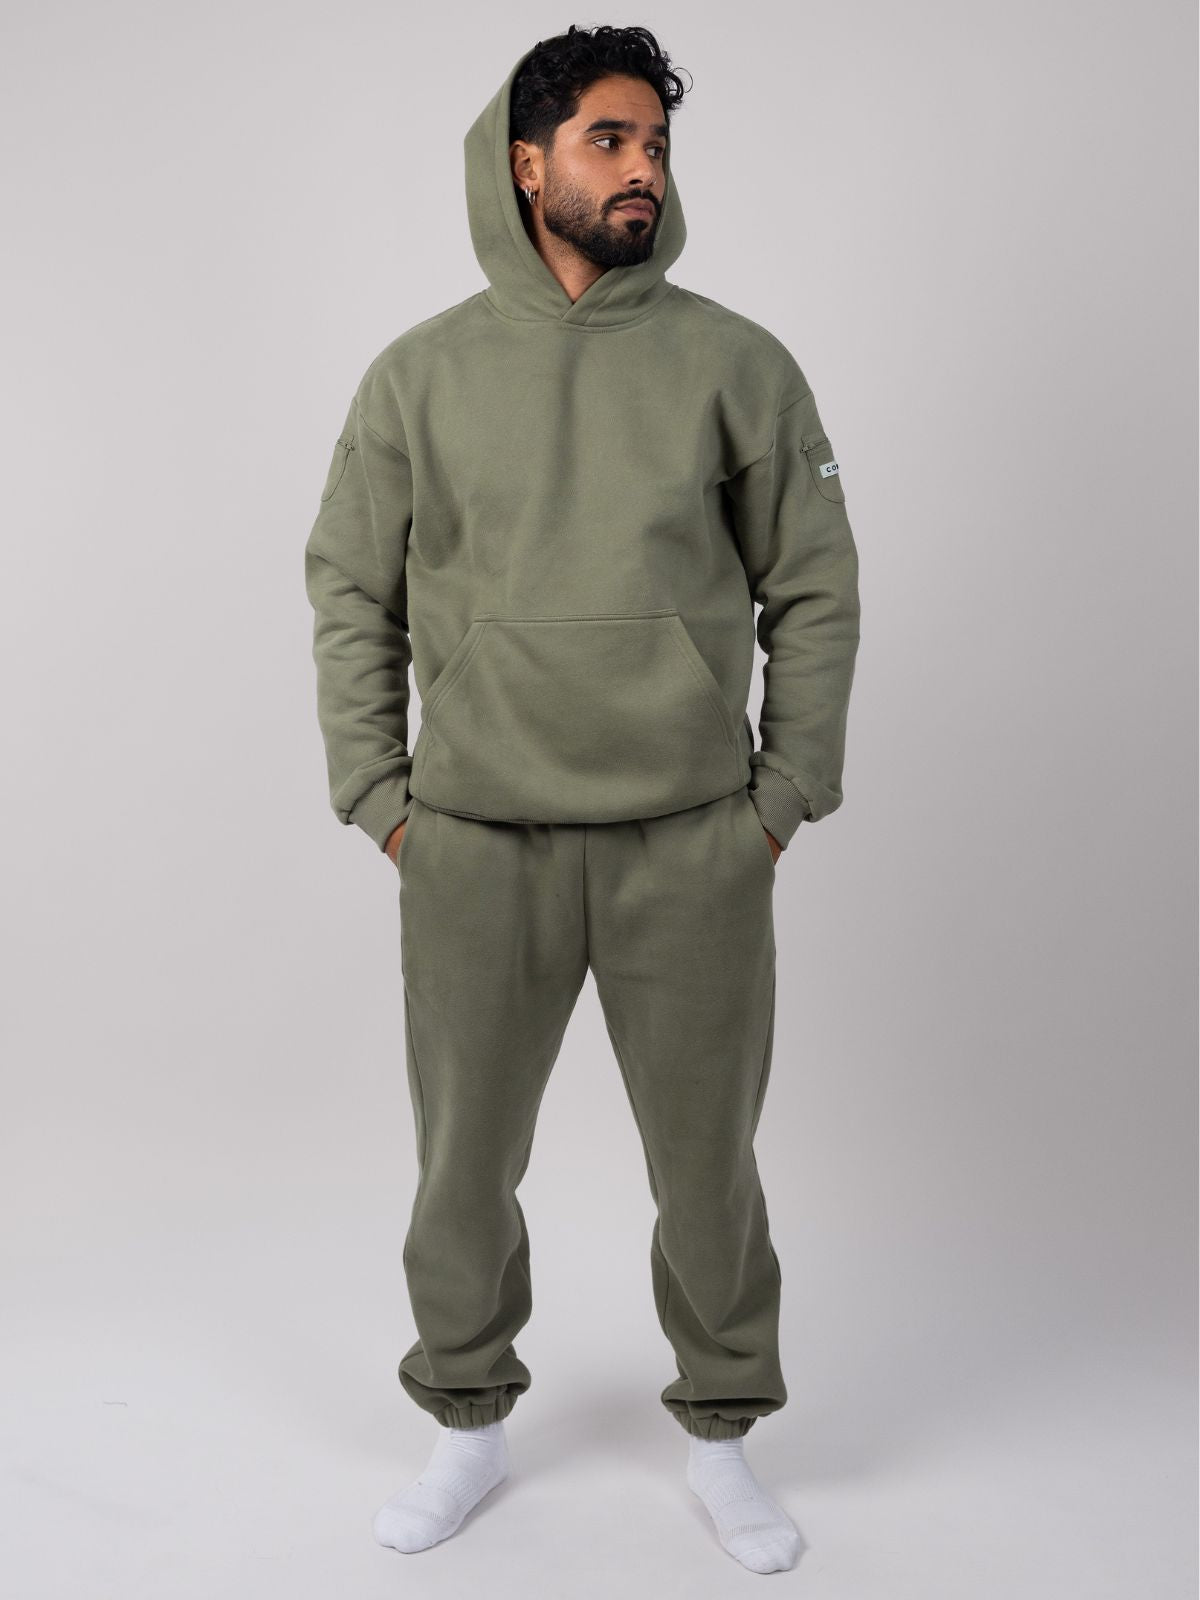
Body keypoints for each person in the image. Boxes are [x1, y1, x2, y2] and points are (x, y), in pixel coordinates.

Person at [303, 24, 861, 1576]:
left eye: (655, 145)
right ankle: (466, 1420)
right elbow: (351, 588)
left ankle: (725, 1434)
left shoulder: (736, 364)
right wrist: (380, 795)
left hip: (693, 840)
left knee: (710, 1168)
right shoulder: (420, 373)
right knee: (462, 1166)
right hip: (475, 841)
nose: (642, 171)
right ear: (525, 161)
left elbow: (815, 585)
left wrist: (783, 795)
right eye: (609, 140)